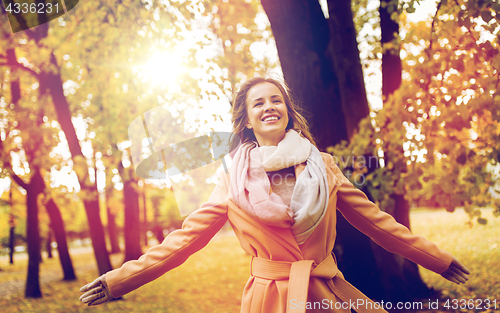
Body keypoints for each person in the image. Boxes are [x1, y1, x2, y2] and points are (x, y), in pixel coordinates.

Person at [79, 77, 470, 312]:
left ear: (287, 111)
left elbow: (377, 223)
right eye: (258, 102)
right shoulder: (231, 179)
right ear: (247, 121)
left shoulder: (324, 165)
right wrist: (119, 280)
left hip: (325, 294)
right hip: (268, 300)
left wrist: (435, 259)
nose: (269, 106)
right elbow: (184, 241)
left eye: (276, 99)